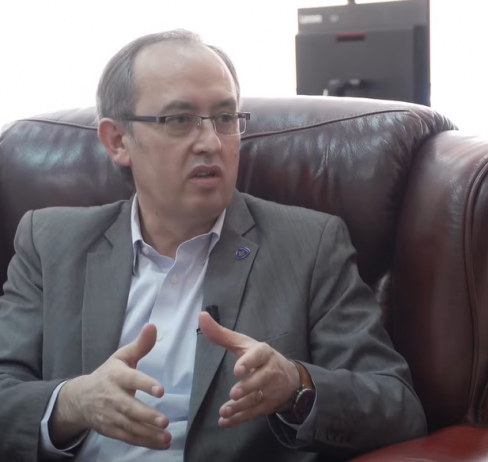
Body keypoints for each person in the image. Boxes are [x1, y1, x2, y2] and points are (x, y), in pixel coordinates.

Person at [0, 29, 426, 462]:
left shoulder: (309, 246)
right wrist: (72, 403)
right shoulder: (49, 243)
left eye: (225, 118)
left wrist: (295, 386)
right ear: (117, 141)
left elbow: (397, 406)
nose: (211, 142)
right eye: (178, 120)